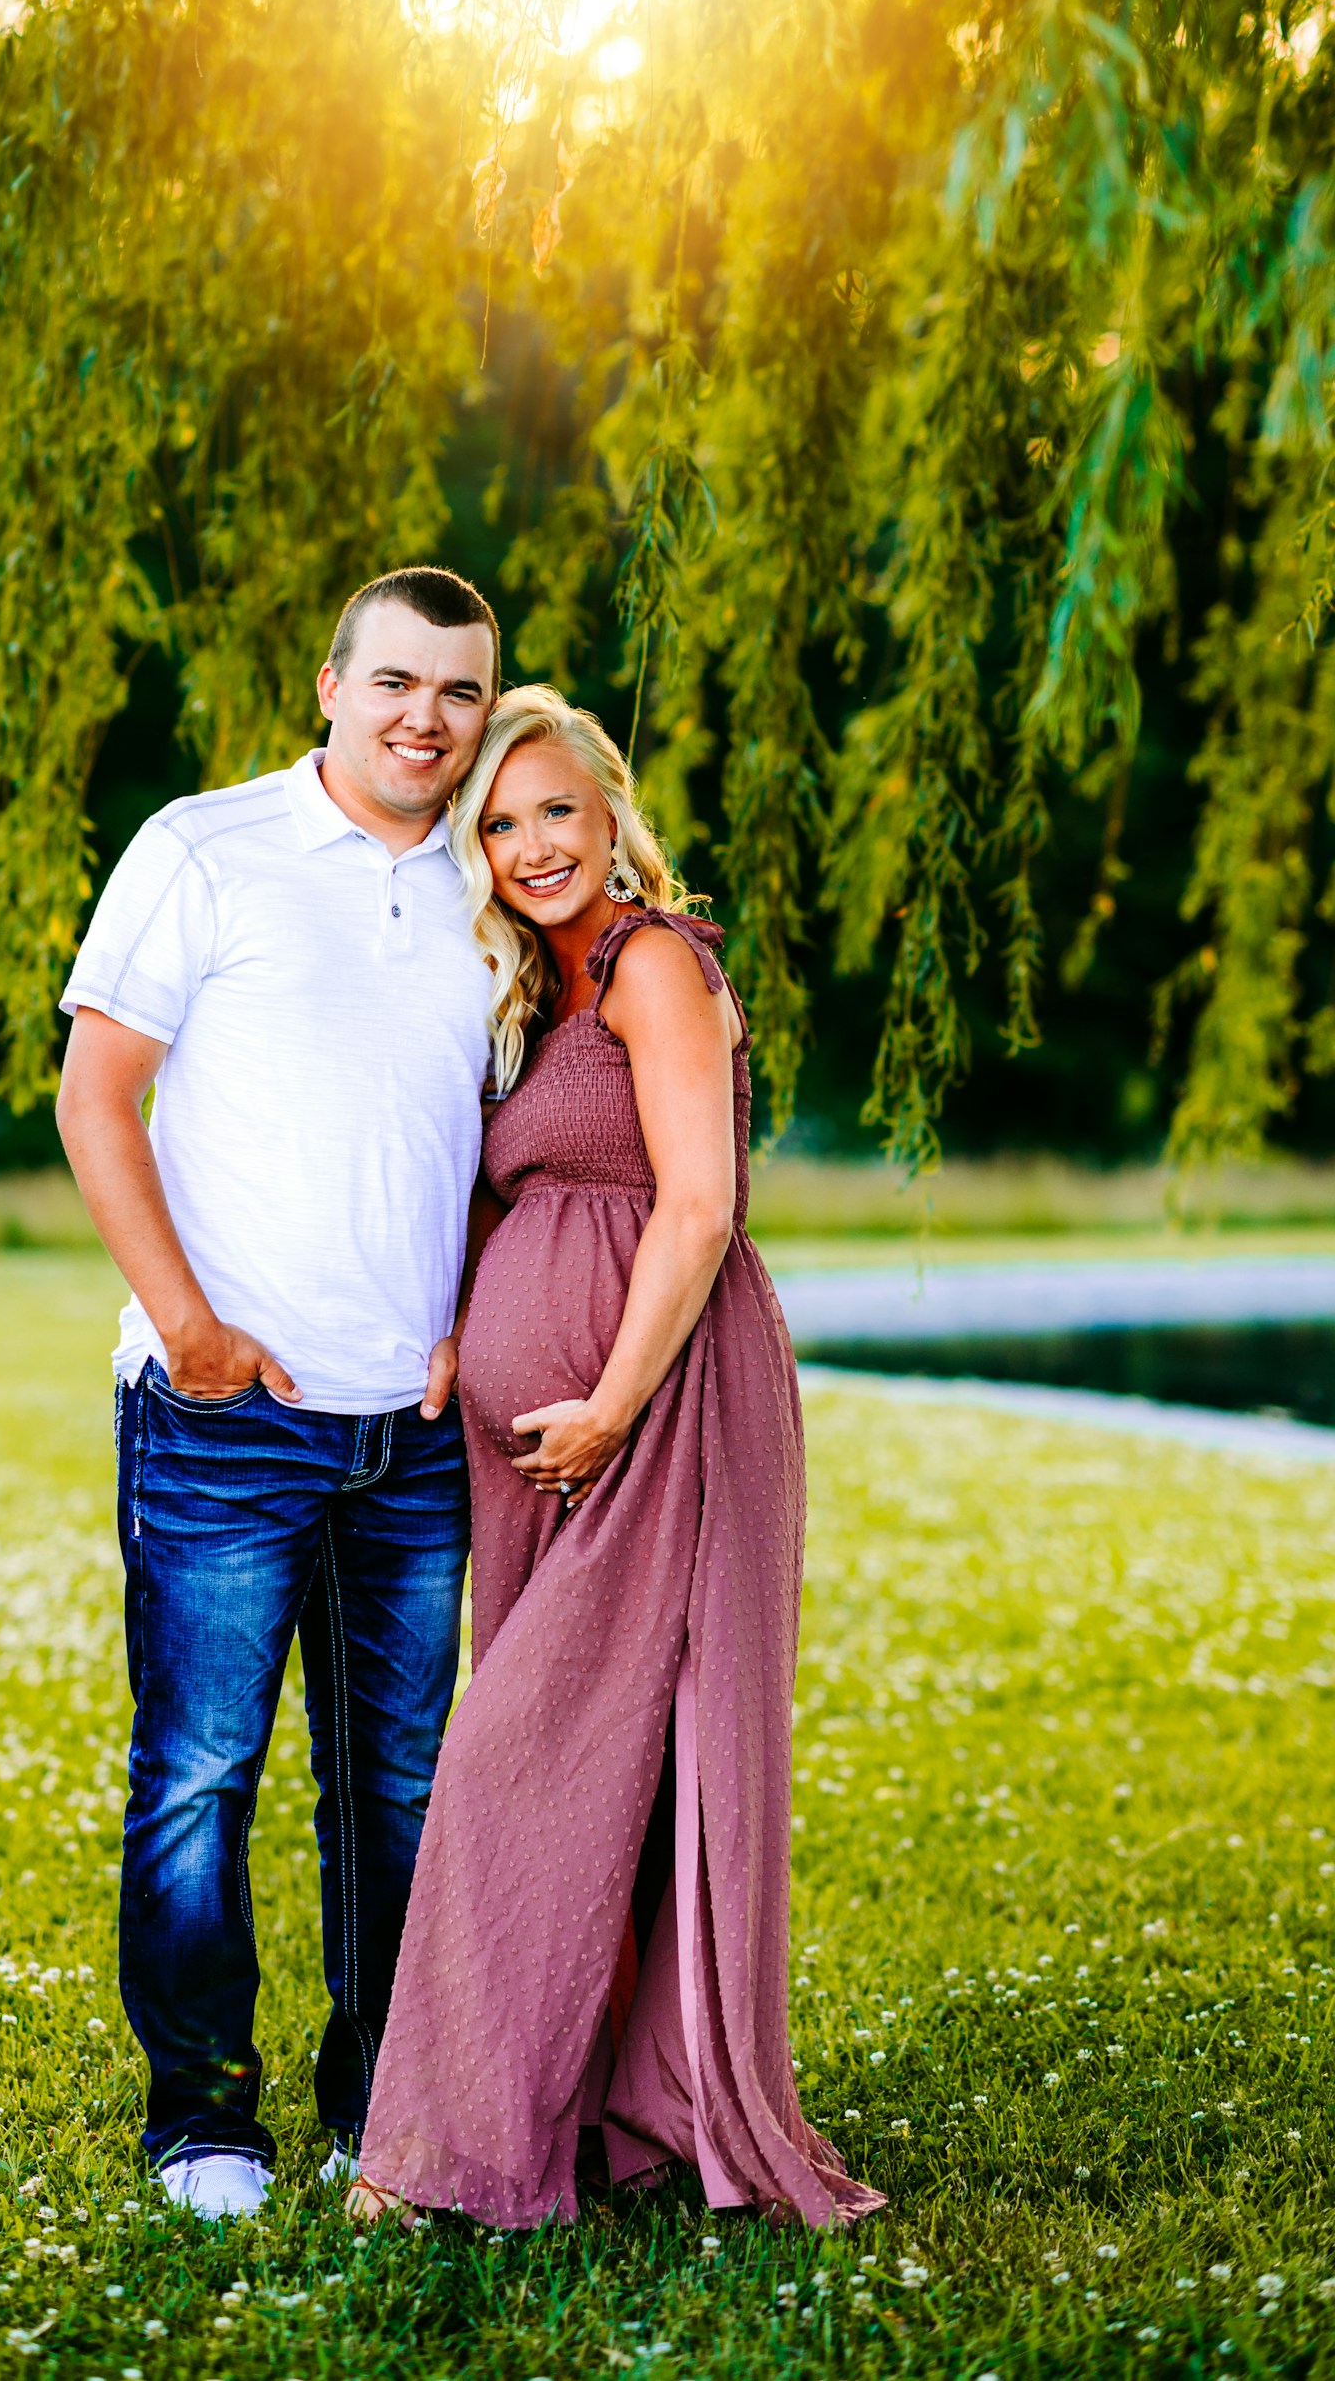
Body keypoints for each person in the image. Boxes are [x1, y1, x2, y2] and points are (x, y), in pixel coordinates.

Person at [349, 685, 886, 2233]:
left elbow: (699, 1207)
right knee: (591, 1773)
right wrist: (462, 1330)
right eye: (499, 824)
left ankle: (445, 2153)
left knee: (517, 1761)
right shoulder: (533, 982)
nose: (529, 845)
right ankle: (613, 2110)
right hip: (529, 1442)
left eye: (554, 813)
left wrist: (608, 1405)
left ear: (611, 814)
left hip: (662, 1412)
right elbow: (504, 1190)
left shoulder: (654, 964)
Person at [54, 565, 499, 2221]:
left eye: (458, 692)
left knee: (399, 1784)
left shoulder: (493, 879)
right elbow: (97, 1098)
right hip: (223, 1416)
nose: (424, 719)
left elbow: (507, 1139)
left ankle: (383, 2097)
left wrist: (480, 1310)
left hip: (419, 1435)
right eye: (394, 681)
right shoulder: (202, 847)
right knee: (200, 1769)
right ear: (329, 685)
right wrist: (191, 1326)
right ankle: (204, 2119)